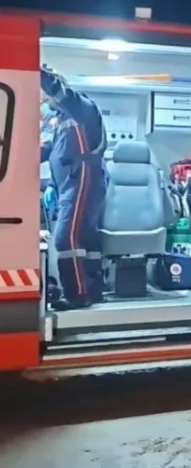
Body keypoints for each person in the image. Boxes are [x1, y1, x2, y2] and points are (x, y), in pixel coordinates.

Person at [40, 66, 109, 310]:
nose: (44, 100)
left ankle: (76, 294)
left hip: (82, 178)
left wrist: (36, 70)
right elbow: (48, 152)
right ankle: (94, 289)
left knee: (65, 238)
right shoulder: (59, 121)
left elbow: (57, 89)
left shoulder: (81, 107)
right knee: (86, 238)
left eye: (45, 95)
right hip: (70, 181)